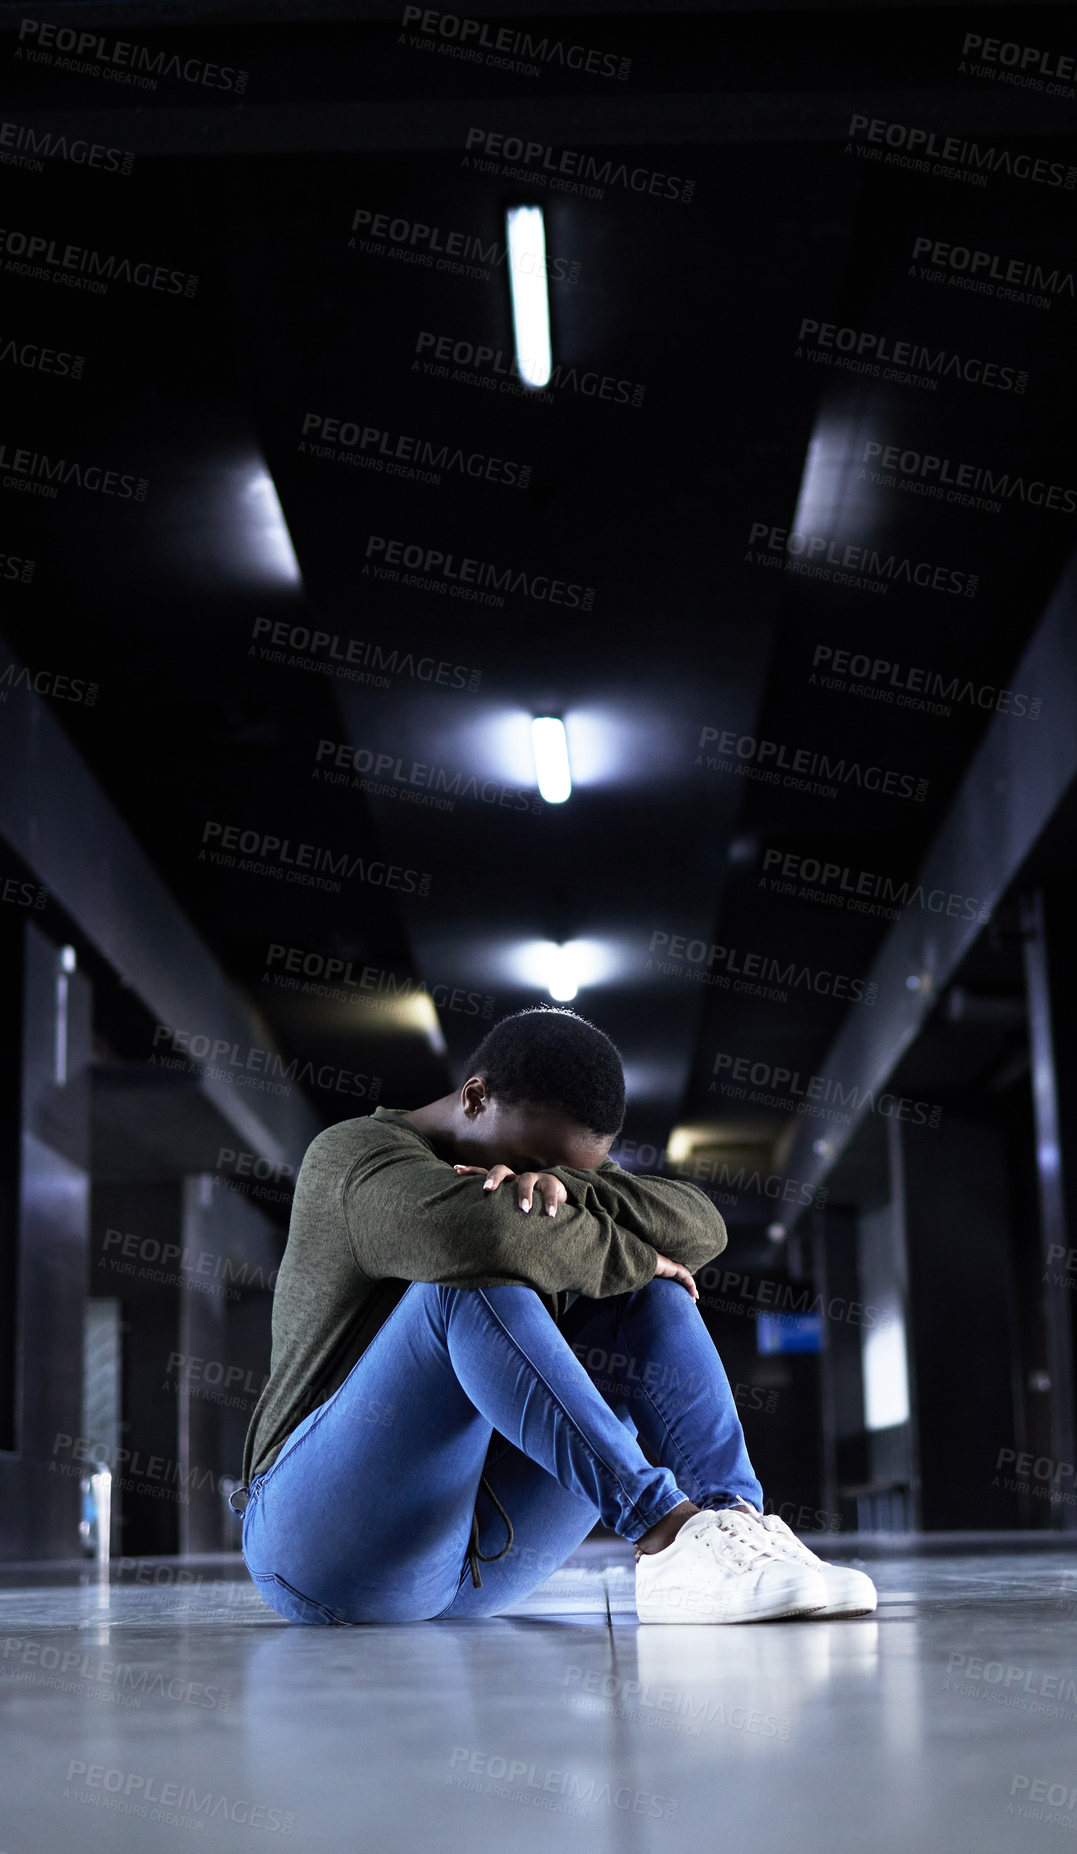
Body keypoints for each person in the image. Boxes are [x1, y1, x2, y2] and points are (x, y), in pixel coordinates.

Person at [234, 1006, 876, 1625]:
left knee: (646, 1296)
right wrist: (633, 1252)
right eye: (539, 1167)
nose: (537, 1185)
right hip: (317, 1547)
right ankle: (666, 1533)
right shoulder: (354, 1156)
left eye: (563, 1176)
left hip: (474, 1565)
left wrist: (581, 1190)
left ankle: (733, 1525)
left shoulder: (551, 1180)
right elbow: (478, 1239)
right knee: (471, 1287)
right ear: (476, 1098)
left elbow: (702, 1228)